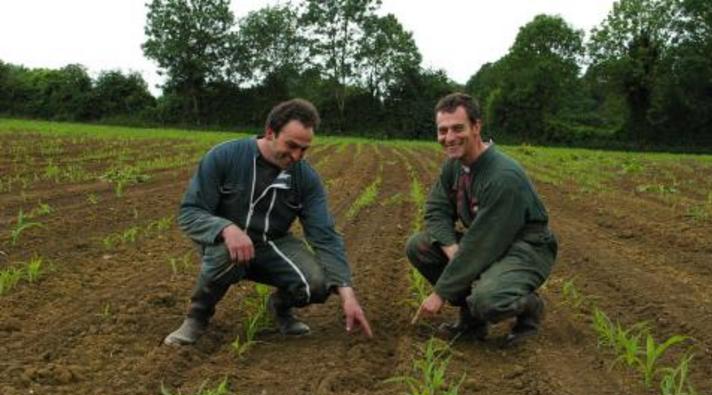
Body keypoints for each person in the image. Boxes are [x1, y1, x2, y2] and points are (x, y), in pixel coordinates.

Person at [165, 98, 372, 346]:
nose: (297, 156)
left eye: (304, 149)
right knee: (225, 254)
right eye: (291, 145)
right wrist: (225, 228)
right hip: (226, 246)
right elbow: (190, 212)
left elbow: (324, 234)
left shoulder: (305, 178)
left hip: (271, 244)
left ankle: (280, 307)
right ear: (270, 132)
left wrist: (347, 293)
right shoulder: (225, 157)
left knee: (318, 283)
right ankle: (196, 317)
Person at [407, 93, 557, 347]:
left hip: (526, 247)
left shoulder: (502, 176)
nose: (449, 138)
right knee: (419, 245)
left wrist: (440, 294)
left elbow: (481, 245)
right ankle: (472, 323)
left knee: (487, 300)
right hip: (488, 239)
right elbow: (436, 210)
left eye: (458, 128)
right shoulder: (454, 165)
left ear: (476, 127)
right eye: (443, 131)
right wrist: (451, 248)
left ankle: (529, 308)